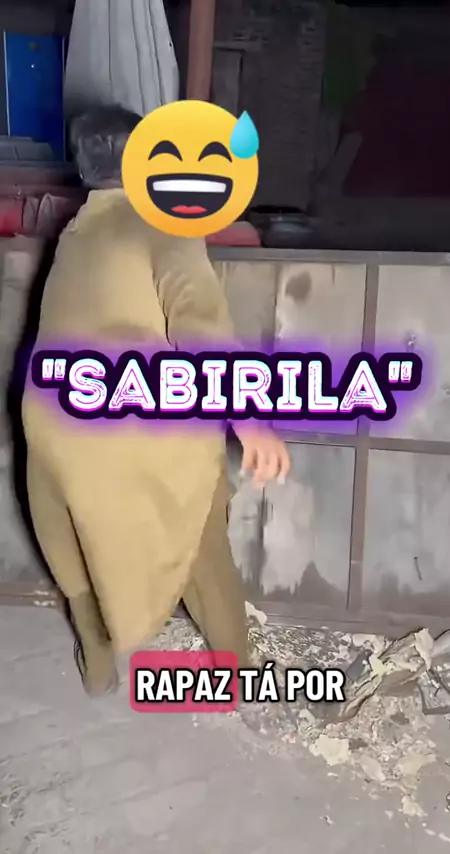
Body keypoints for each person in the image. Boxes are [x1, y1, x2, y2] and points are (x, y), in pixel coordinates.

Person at [21, 106, 290, 697]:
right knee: (199, 534)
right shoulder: (164, 224)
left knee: (75, 543)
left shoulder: (75, 233)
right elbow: (199, 330)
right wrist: (250, 422)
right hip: (128, 420)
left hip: (53, 423)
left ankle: (97, 665)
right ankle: (236, 673)